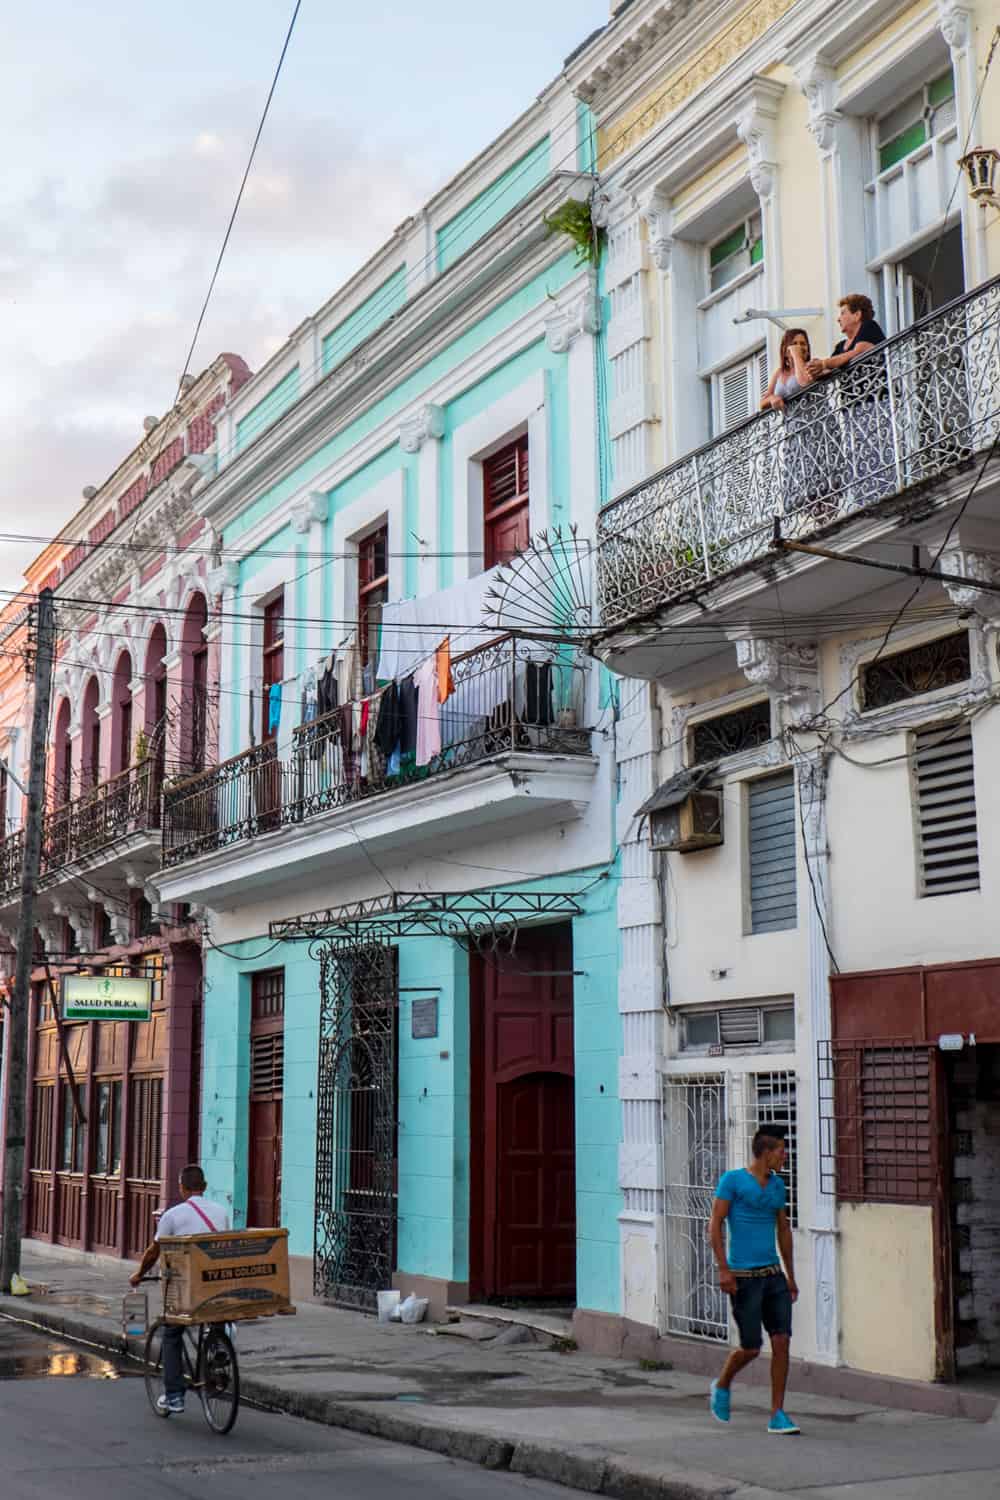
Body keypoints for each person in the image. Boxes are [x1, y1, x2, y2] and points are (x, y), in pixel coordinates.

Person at [707, 1129, 800, 1436]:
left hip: (773, 1276)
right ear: (765, 1152)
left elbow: (783, 1231)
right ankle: (722, 1383)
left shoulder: (777, 1186)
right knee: (751, 1347)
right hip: (744, 1279)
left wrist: (790, 1276)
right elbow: (715, 1225)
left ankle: (777, 1413)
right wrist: (724, 1270)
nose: (784, 1156)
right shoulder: (732, 1181)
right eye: (781, 1151)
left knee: (782, 1341)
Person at [130, 1163, 231, 1415]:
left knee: (172, 1333)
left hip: (188, 1290)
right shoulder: (221, 1212)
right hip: (217, 1286)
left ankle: (174, 1395)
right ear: (205, 1187)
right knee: (216, 1317)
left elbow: (154, 1251)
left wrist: (139, 1275)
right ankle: (218, 1345)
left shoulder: (173, 1216)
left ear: (181, 1188)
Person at [806, 293, 886, 377]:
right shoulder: (840, 346)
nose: (838, 319)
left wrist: (823, 363)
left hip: (876, 388)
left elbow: (859, 352)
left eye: (843, 313)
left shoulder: (869, 326)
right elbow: (827, 370)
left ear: (857, 315)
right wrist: (814, 369)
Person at [760, 328, 815, 411]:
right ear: (784, 350)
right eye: (794, 343)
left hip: (816, 420)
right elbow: (762, 403)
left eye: (803, 344)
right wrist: (772, 398)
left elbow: (805, 381)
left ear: (808, 349)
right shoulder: (779, 373)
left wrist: (796, 354)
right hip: (790, 423)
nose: (799, 347)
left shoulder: (813, 364)